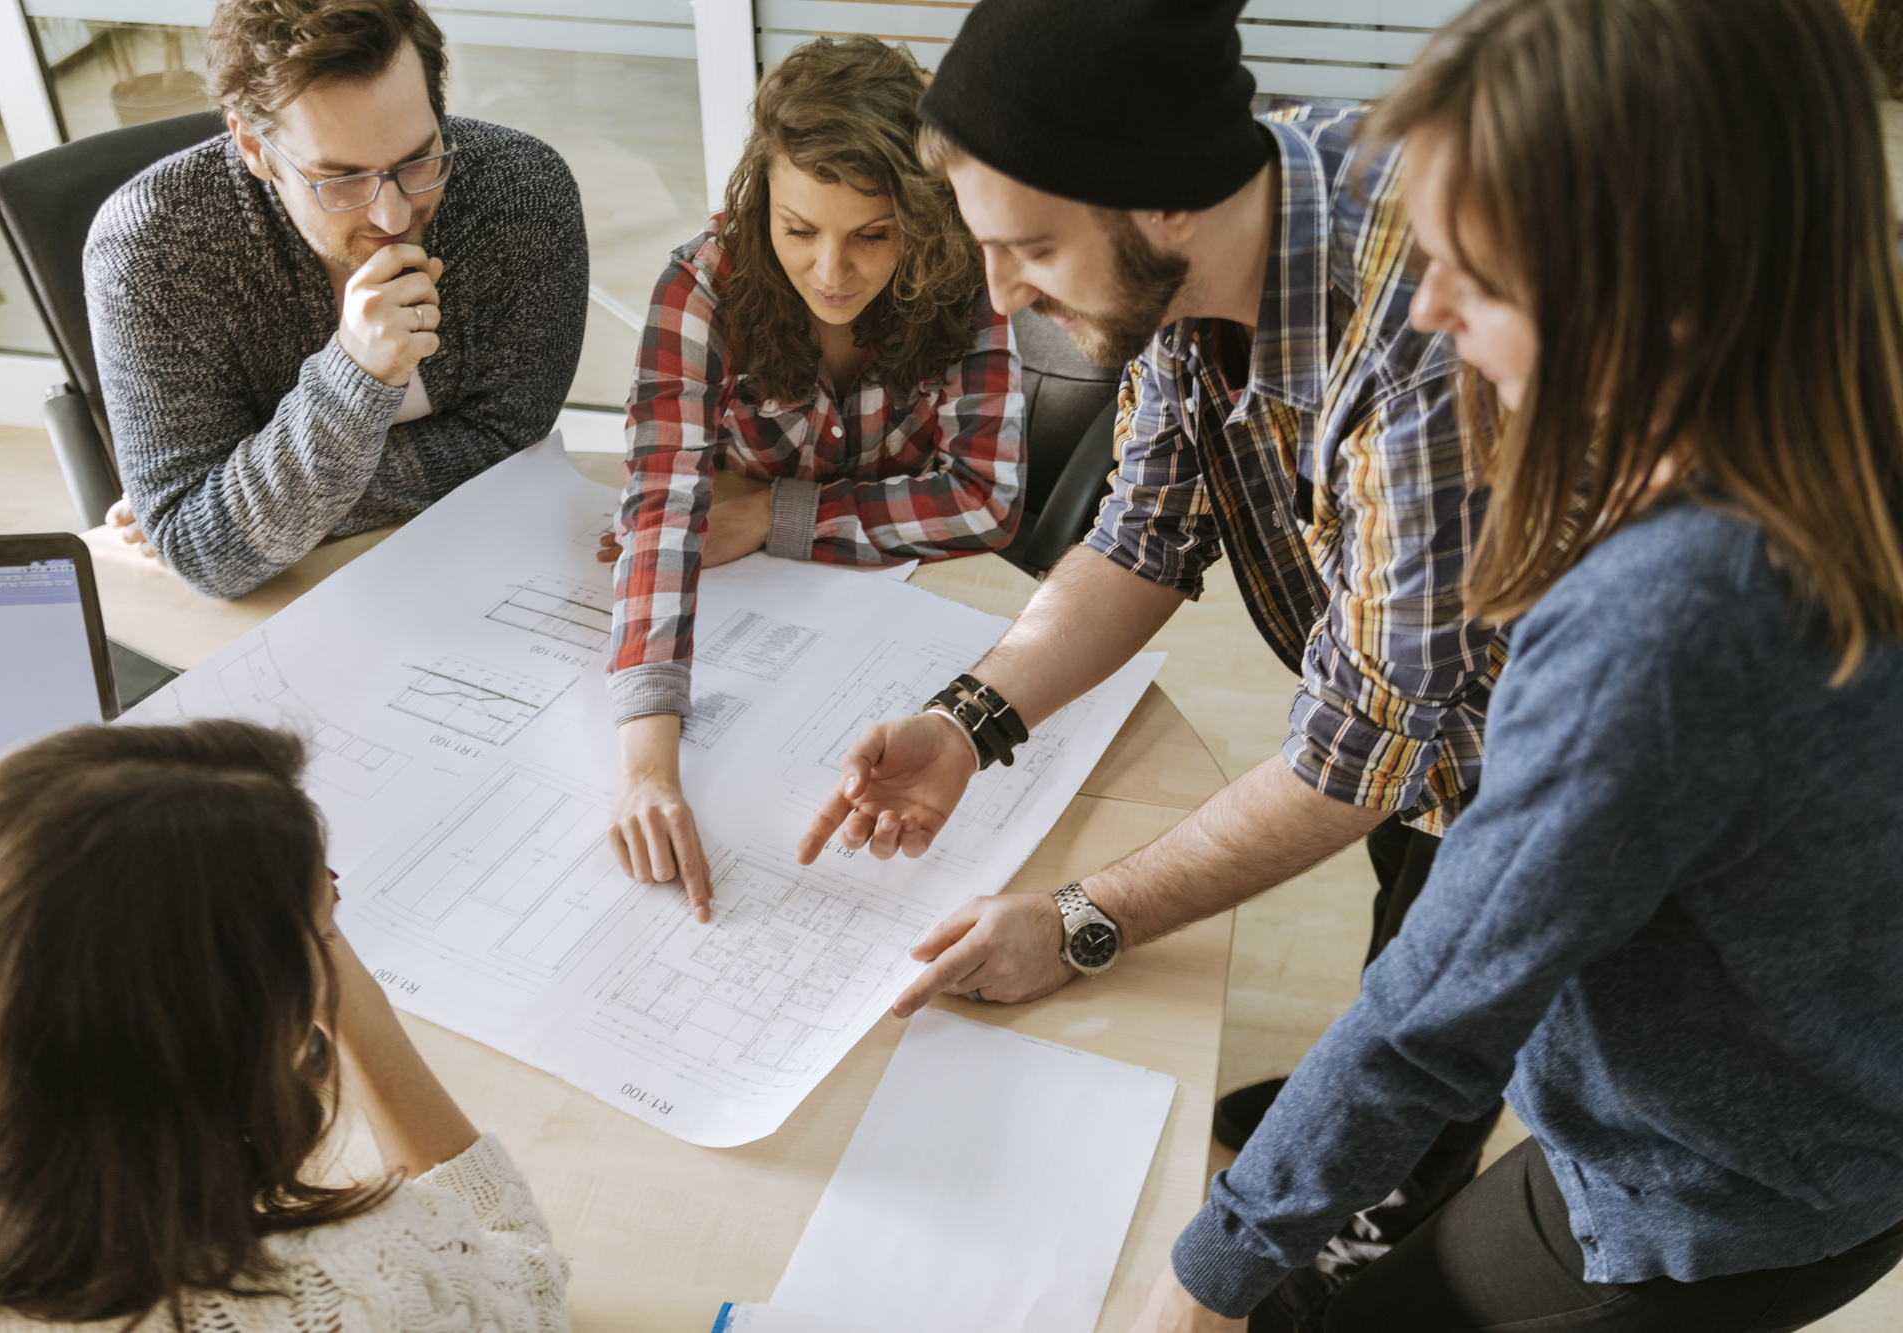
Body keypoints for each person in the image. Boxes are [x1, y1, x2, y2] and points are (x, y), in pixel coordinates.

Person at [1127, 0, 1903, 1329]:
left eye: (1476, 274)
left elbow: (1439, 1006)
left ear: (1661, 293)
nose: (1425, 306)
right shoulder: (1840, 401)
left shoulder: (1665, 620)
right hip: (1786, 1103)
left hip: (1723, 1191)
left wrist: (1211, 1273)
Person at [797, 0, 1501, 1272]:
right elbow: (1142, 533)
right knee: (1410, 908)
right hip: (1407, 723)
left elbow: (1359, 761)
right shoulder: (1210, 214)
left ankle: (1395, 1195)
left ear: (1166, 202)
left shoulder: (1423, 350)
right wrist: (967, 719)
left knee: (1448, 981)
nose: (1003, 296)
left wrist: (1081, 920)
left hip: (1545, 744)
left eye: (1032, 251)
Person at [0, 719, 570, 1332]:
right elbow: (527, 1286)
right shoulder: (344, 1287)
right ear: (225, 1023)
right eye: (325, 911)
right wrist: (352, 1002)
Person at [602, 35, 1024, 920]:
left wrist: (774, 517)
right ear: (761, 204)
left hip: (909, 612)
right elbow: (662, 510)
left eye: (873, 237)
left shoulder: (968, 281)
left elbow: (985, 501)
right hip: (740, 606)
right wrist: (647, 769)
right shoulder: (702, 287)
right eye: (799, 231)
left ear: (924, 212)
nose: (832, 273)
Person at [90, 0, 587, 599]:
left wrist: (244, 505)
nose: (394, 213)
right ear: (252, 146)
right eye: (341, 179)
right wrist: (357, 372)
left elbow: (511, 441)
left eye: (417, 159)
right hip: (287, 607)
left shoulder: (522, 188)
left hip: (480, 566)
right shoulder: (151, 245)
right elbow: (207, 556)